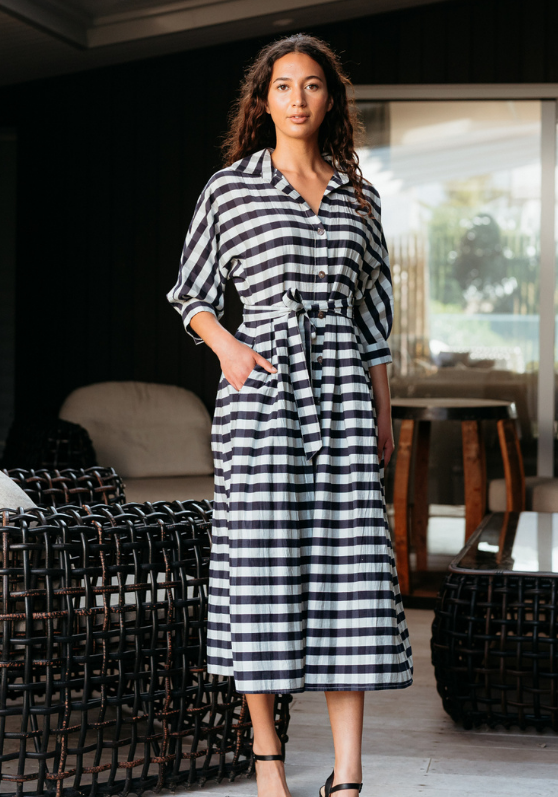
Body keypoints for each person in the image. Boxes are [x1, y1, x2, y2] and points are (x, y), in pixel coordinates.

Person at [167, 32, 413, 797]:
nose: (298, 97)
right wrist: (230, 352)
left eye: (312, 84)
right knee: (260, 569)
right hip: (262, 396)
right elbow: (191, 293)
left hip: (343, 392)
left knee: (351, 570)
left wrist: (384, 411)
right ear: (263, 100)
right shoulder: (230, 188)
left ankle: (349, 772)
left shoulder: (360, 196)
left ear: (330, 99)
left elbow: (374, 316)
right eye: (284, 85)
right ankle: (268, 756)